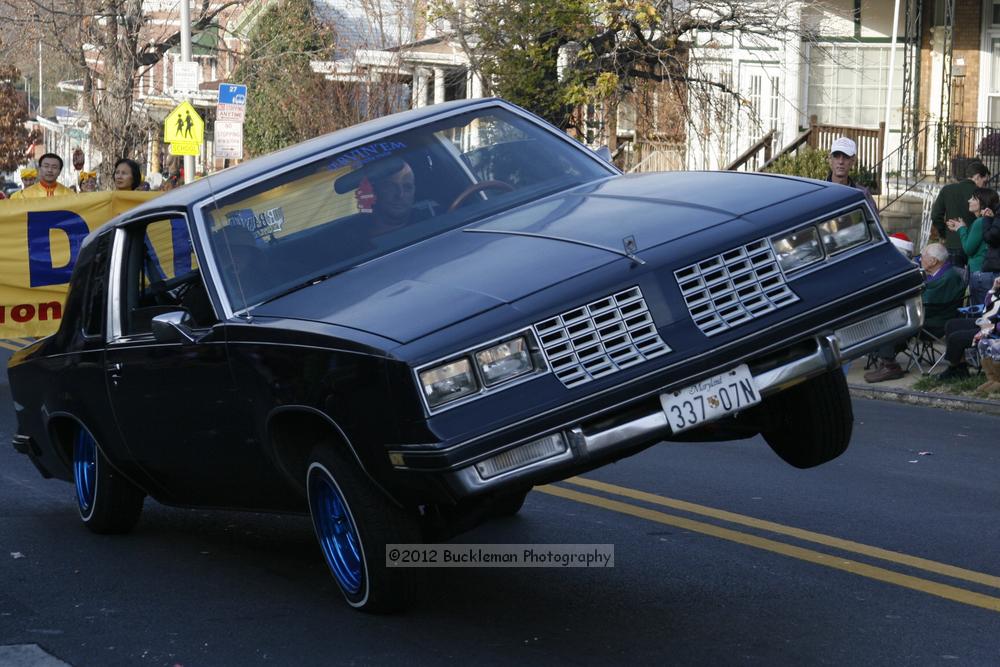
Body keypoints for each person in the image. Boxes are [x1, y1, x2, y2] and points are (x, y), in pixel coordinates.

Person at [864, 243, 967, 383]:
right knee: (886, 316)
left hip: (933, 322)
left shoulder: (948, 278)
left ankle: (890, 365)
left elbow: (926, 301)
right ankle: (886, 360)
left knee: (889, 321)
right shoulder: (937, 275)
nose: (920, 260)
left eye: (923, 257)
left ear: (933, 261)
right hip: (925, 315)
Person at [937, 275, 1000, 380]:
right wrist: (994, 289)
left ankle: (954, 368)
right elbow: (990, 307)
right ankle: (960, 368)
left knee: (956, 338)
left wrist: (992, 327)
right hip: (991, 323)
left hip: (995, 331)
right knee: (952, 325)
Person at [930, 160, 990, 268]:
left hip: (953, 243)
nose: (984, 186)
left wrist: (944, 233)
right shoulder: (982, 194)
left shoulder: (947, 190)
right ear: (977, 176)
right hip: (976, 247)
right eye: (984, 182)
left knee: (956, 282)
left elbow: (935, 215)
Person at [946, 186, 999, 305]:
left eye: (973, 198)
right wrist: (962, 228)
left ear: (982, 203)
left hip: (979, 273)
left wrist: (961, 229)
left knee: (978, 312)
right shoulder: (991, 219)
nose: (969, 200)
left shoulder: (980, 222)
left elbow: (968, 249)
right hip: (988, 273)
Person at [825, 137, 878, 215]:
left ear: (853, 161)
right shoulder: (818, 192)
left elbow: (873, 224)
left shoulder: (862, 194)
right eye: (836, 156)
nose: (841, 161)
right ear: (830, 160)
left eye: (846, 157)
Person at [367, 158, 416, 237]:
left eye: (407, 187)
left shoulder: (433, 221)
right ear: (374, 190)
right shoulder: (355, 241)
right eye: (391, 187)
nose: (400, 195)